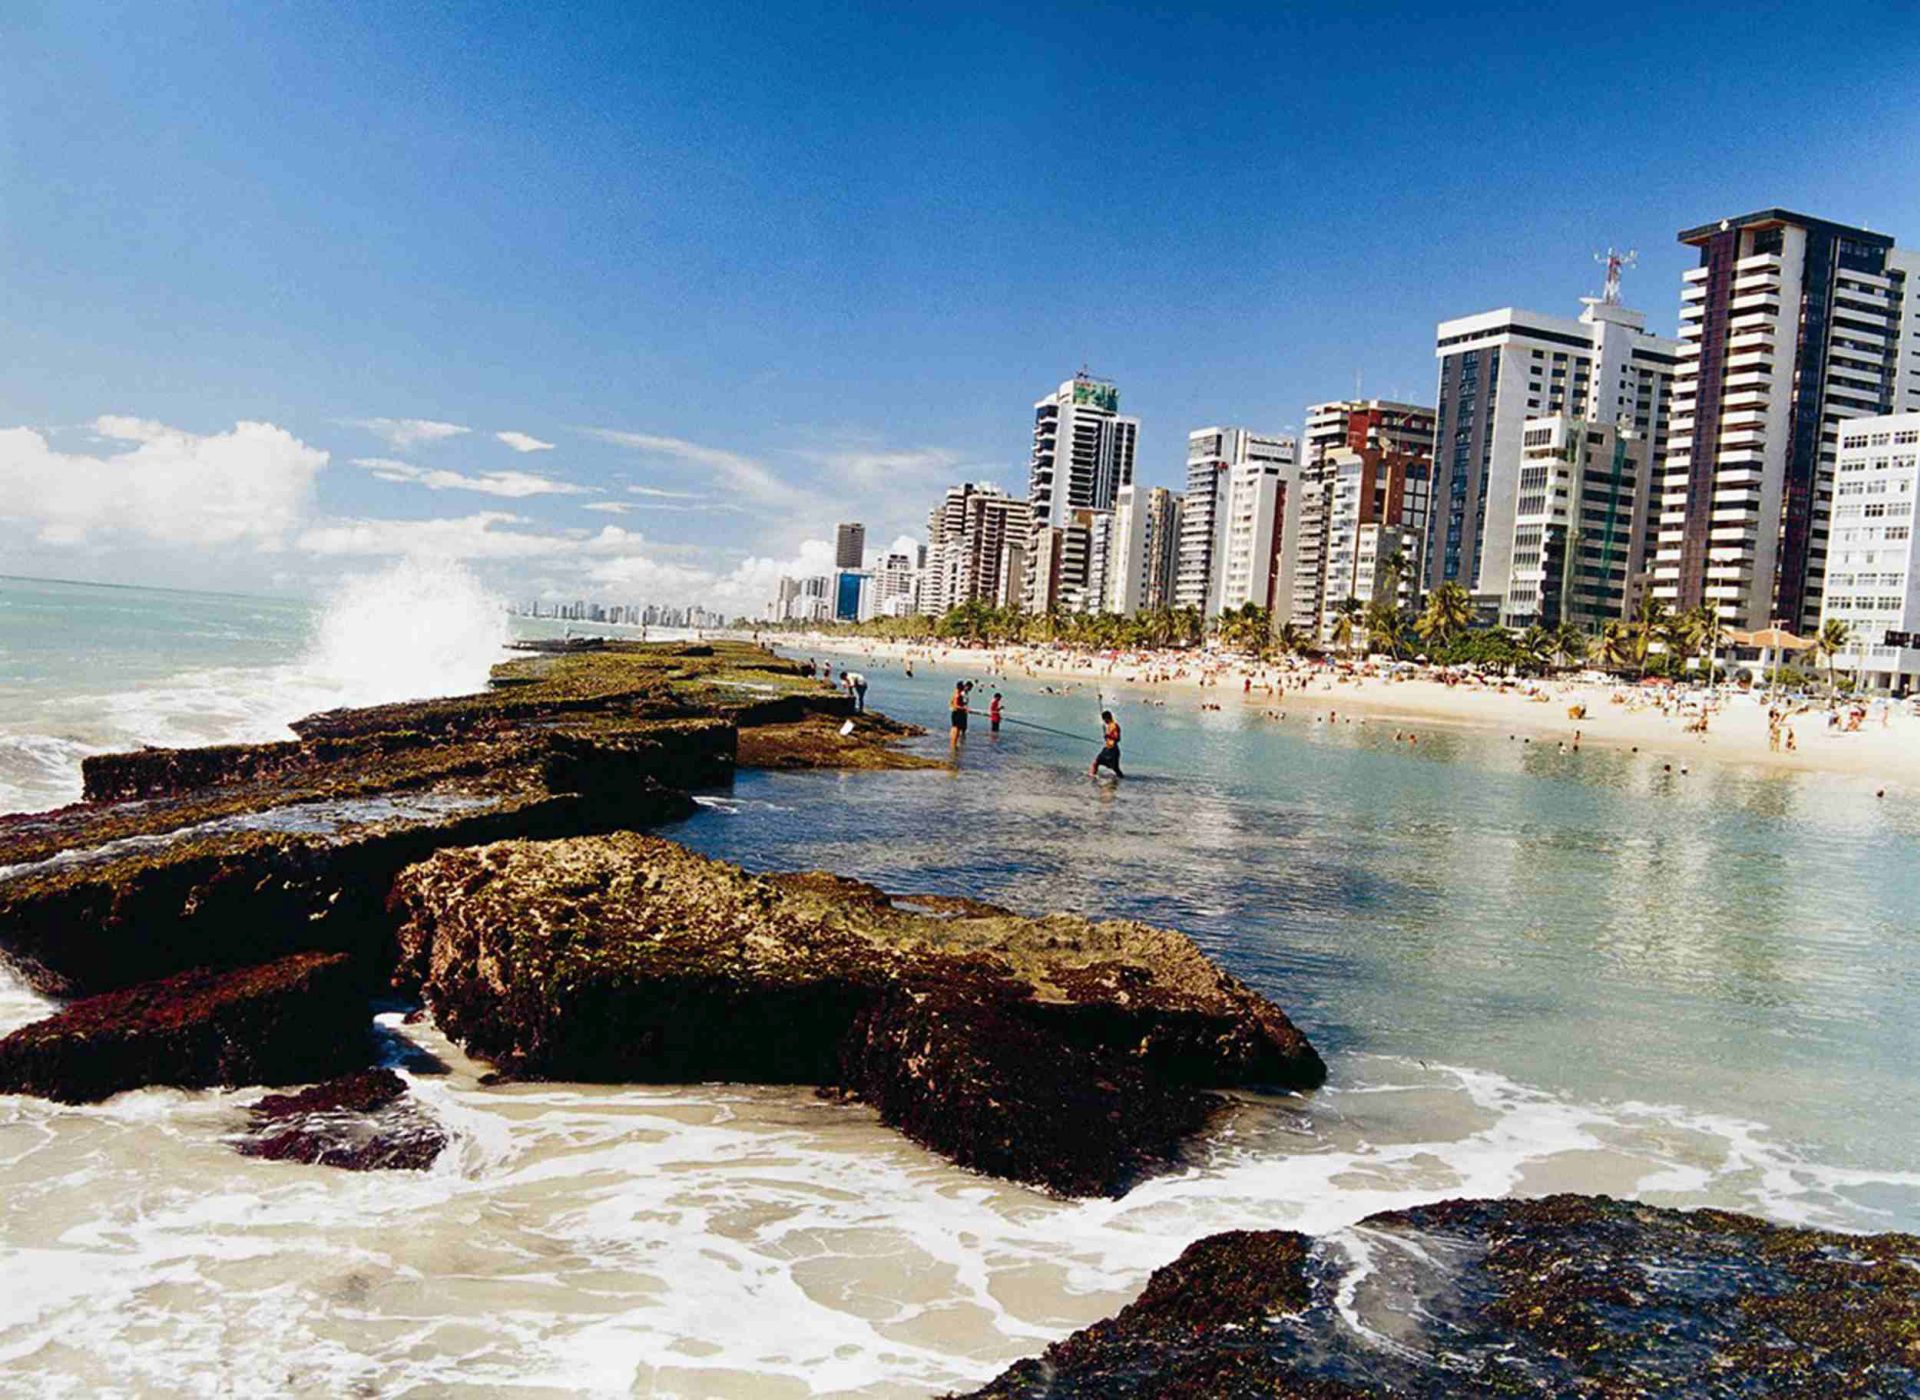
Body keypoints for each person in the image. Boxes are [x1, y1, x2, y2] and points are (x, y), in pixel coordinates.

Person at [1090, 709, 1123, 779]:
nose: (1104, 722)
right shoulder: (1110, 726)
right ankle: (1122, 780)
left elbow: (1117, 738)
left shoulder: (1114, 726)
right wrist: (1107, 738)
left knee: (1096, 763)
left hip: (1111, 749)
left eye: (1104, 720)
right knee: (1115, 769)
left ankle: (1092, 778)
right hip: (1109, 748)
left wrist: (1108, 736)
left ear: (1107, 718)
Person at [949, 681, 969, 748]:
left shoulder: (956, 694)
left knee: (955, 728)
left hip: (956, 713)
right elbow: (955, 705)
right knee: (956, 730)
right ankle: (953, 745)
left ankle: (953, 744)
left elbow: (951, 704)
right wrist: (963, 708)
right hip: (957, 713)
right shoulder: (958, 695)